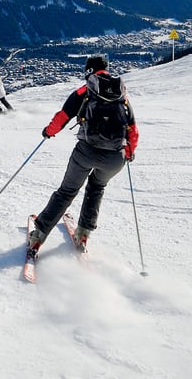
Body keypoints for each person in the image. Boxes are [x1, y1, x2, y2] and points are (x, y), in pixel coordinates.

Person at [28, 54, 139, 252]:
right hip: (115, 157)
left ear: (89, 70)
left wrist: (48, 132)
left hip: (86, 152)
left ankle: (38, 236)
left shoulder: (84, 90)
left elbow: (63, 116)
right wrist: (129, 152)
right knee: (97, 187)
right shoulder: (121, 93)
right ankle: (83, 234)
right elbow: (132, 128)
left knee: (67, 191)